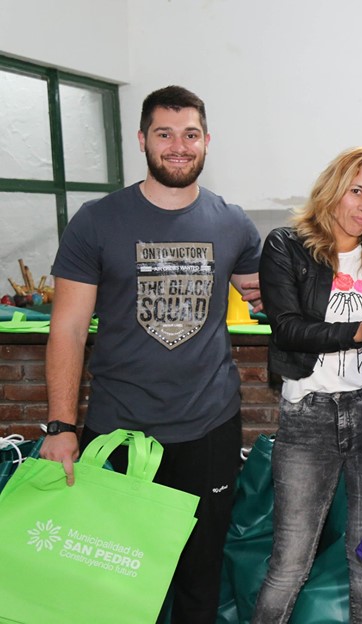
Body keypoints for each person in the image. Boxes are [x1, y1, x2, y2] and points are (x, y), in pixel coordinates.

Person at [41, 85, 262, 623]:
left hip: (209, 428)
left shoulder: (233, 223)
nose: (178, 146)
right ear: (143, 140)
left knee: (198, 576)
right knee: (112, 576)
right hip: (119, 429)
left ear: (207, 141)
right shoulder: (96, 220)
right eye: (165, 134)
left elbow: (276, 301)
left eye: (190, 134)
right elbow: (68, 329)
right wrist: (59, 426)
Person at [252, 147, 362, 624]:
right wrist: (357, 330)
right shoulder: (286, 245)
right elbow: (288, 328)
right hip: (309, 417)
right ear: (333, 188)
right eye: (357, 190)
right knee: (289, 565)